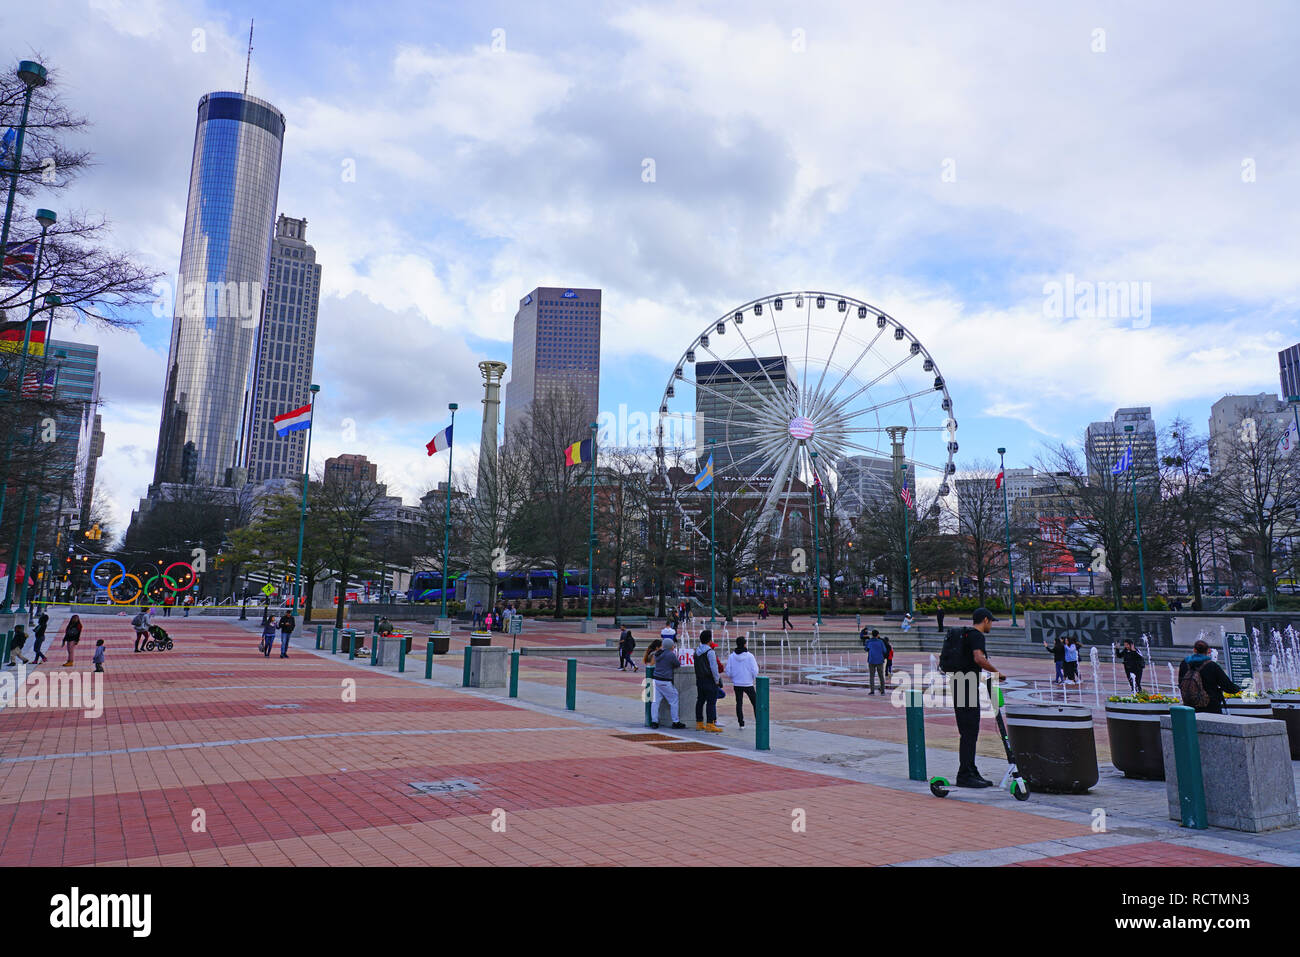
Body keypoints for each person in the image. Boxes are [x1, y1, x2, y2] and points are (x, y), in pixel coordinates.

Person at [949, 608, 1005, 788]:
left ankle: (970, 770)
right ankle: (965, 774)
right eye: (991, 622)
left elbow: (969, 663)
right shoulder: (977, 636)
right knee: (969, 731)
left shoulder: (965, 635)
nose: (991, 626)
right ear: (985, 620)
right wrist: (998, 673)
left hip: (959, 683)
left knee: (968, 731)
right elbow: (979, 658)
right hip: (966, 687)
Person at [1178, 640, 1240, 714]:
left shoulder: (1184, 663)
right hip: (1210, 706)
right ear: (1209, 651)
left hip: (1190, 706)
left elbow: (1181, 683)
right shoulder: (1212, 666)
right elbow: (1227, 686)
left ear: (1194, 650)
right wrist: (1237, 689)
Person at [651, 633, 686, 730]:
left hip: (656, 680)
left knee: (655, 702)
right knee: (674, 699)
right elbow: (677, 664)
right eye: (673, 646)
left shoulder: (658, 653)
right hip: (665, 681)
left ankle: (654, 721)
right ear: (670, 646)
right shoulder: (670, 654)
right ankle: (675, 722)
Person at [693, 628, 723, 732]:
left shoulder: (696, 651)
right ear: (709, 640)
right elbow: (714, 668)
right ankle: (710, 724)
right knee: (711, 702)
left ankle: (699, 723)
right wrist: (717, 680)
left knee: (700, 701)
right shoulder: (710, 652)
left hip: (699, 679)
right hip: (709, 680)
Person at [726, 636, 759, 728]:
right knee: (755, 703)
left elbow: (728, 670)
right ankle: (758, 721)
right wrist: (752, 678)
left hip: (737, 683)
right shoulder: (750, 656)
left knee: (739, 703)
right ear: (744, 644)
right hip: (748, 683)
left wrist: (733, 678)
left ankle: (741, 723)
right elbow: (755, 670)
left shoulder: (732, 656)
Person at [865, 630, 887, 695]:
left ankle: (872, 691)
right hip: (880, 660)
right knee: (881, 676)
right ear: (878, 635)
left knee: (872, 676)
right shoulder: (880, 642)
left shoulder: (869, 641)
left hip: (871, 660)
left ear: (872, 635)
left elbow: (866, 649)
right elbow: (884, 650)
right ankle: (882, 691)